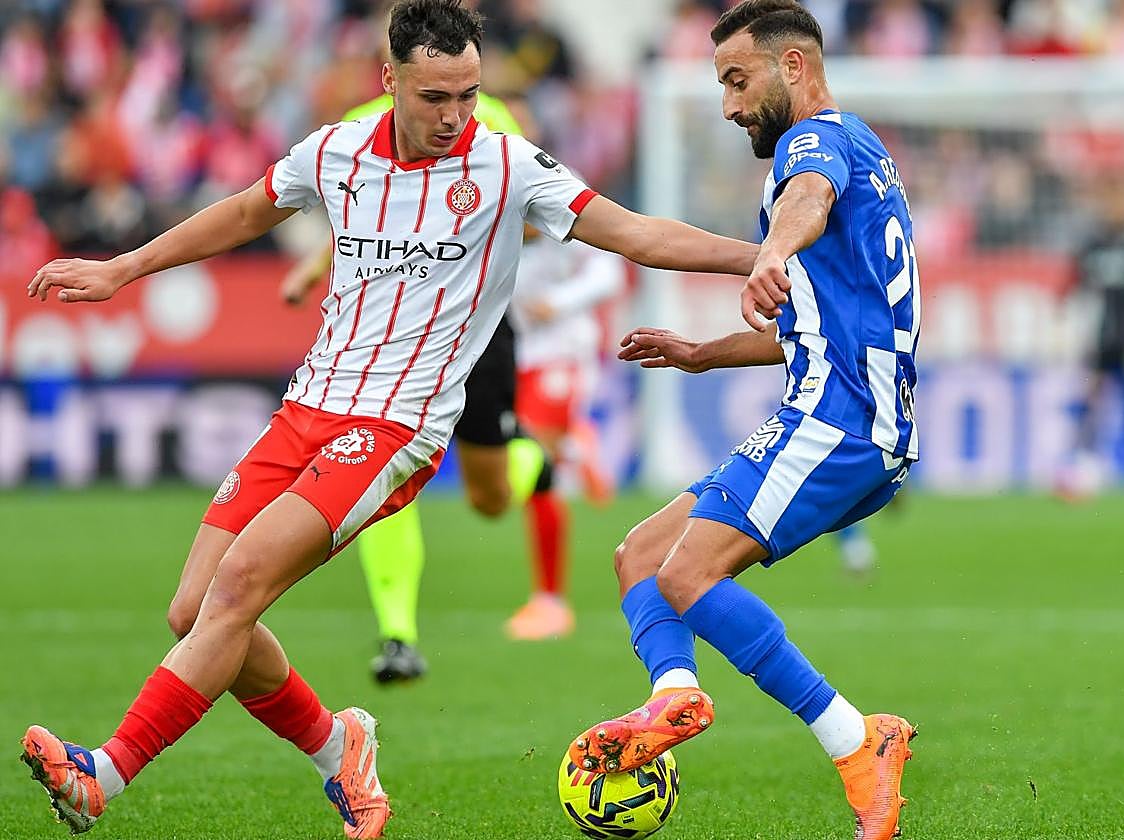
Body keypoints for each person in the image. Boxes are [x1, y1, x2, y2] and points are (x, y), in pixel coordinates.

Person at [18, 2, 758, 837]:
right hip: (305, 407)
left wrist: (757, 254)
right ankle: (340, 750)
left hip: (396, 428)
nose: (455, 116)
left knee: (237, 590)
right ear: (391, 82)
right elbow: (245, 212)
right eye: (436, 97)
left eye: (470, 95)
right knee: (195, 615)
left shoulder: (509, 166)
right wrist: (125, 267)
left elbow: (634, 233)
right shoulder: (335, 152)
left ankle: (104, 775)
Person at [566, 4, 918, 840]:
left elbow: (808, 197)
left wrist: (771, 251)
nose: (727, 105)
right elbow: (815, 325)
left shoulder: (816, 142)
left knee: (687, 576)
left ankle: (858, 742)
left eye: (737, 80)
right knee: (642, 556)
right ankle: (673, 697)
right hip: (837, 409)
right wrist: (704, 354)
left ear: (794, 67)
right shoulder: (858, 147)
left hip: (842, 419)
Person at [279, 91, 569, 682]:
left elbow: (536, 217)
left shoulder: (490, 120)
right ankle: (398, 635)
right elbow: (352, 222)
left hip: (471, 330)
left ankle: (527, 463)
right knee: (373, 475)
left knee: (489, 501)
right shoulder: (357, 126)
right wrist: (313, 269)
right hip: (384, 345)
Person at [1058, 170, 1124, 498]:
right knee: (1094, 399)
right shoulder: (1093, 246)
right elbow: (1074, 285)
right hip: (1101, 338)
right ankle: (1088, 461)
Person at [510, 230, 625, 505]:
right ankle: (577, 444)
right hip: (521, 351)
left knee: (537, 454)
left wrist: (559, 302)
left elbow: (609, 274)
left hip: (563, 351)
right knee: (540, 455)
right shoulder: (500, 226)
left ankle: (574, 444)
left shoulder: (564, 212)